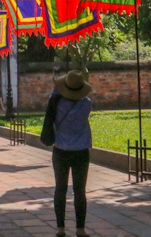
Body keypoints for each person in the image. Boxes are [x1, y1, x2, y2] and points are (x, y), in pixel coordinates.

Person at [49, 70, 93, 237]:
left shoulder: (57, 104)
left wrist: (56, 87)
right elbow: (84, 96)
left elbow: (52, 99)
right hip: (81, 152)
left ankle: (60, 228)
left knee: (60, 189)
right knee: (80, 190)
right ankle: (80, 229)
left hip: (60, 150)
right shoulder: (87, 104)